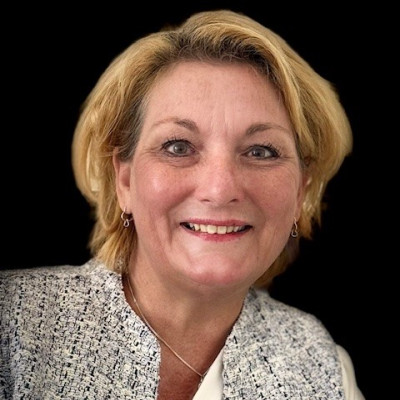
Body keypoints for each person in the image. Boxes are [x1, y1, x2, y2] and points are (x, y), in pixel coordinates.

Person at [0, 9, 365, 399]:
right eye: (178, 147)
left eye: (260, 151)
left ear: (299, 194)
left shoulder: (322, 366)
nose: (220, 189)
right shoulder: (12, 322)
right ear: (124, 181)